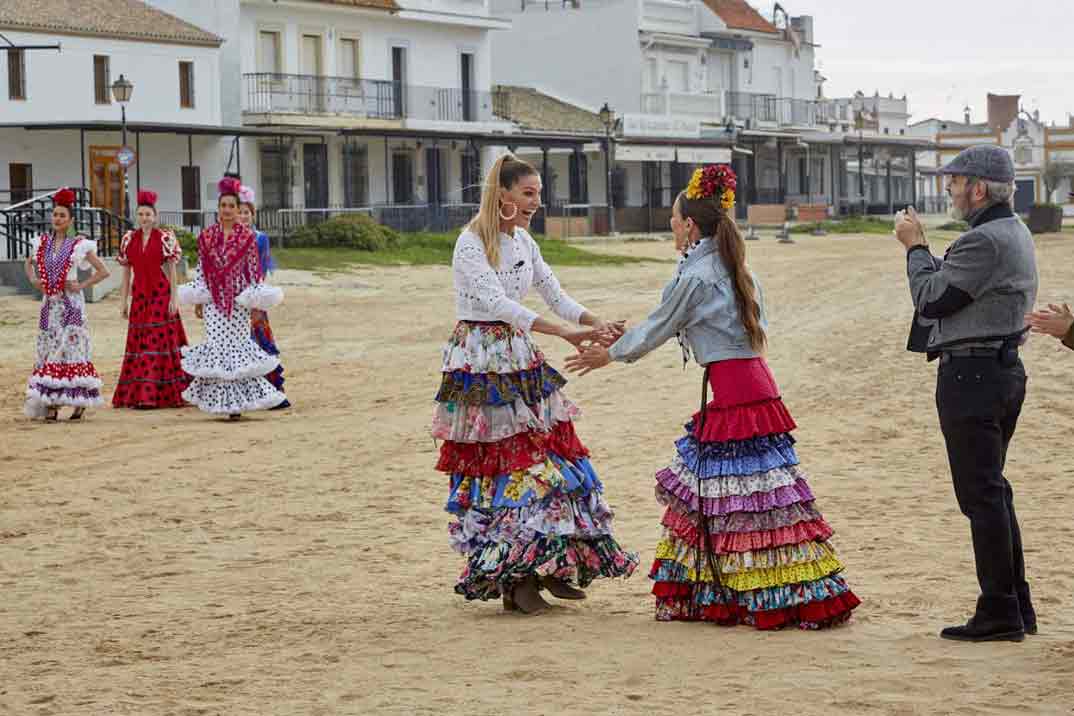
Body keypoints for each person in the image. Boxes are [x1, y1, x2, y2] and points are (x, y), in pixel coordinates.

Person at [566, 165, 860, 630]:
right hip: (753, 386)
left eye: (674, 218)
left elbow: (661, 327)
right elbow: (673, 319)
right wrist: (630, 335)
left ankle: (755, 595)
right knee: (757, 498)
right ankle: (761, 589)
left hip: (736, 394)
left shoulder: (700, 274)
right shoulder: (734, 267)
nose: (670, 225)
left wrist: (610, 354)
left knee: (738, 498)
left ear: (689, 226)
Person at [435, 153, 637, 614]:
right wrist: (563, 332)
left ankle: (549, 563)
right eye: (528, 194)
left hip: (521, 356)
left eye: (538, 194)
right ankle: (515, 578)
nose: (536, 203)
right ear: (502, 195)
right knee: (507, 463)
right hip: (481, 361)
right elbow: (498, 303)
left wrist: (593, 321)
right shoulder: (470, 243)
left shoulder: (524, 242)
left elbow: (555, 293)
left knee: (548, 455)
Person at [894, 144, 1038, 642]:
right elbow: (955, 286)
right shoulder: (1010, 231)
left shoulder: (985, 240)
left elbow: (933, 299)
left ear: (978, 188)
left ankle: (1000, 610)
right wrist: (929, 252)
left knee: (981, 496)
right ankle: (1016, 604)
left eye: (955, 181)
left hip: (974, 375)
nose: (949, 189)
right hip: (999, 372)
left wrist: (914, 248)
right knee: (993, 491)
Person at [178, 177, 287, 420]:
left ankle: (237, 403)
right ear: (218, 209)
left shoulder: (248, 238)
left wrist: (255, 303)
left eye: (231, 206)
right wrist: (198, 300)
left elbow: (253, 273)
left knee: (237, 350)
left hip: (238, 303)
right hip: (213, 304)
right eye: (223, 206)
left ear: (239, 210)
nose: (226, 210)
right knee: (217, 349)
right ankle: (223, 402)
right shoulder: (206, 236)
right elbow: (202, 270)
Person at [23, 188, 111, 421]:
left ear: (70, 220)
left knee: (70, 350)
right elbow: (29, 263)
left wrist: (82, 286)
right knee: (50, 349)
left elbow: (103, 271)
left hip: (71, 305)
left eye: (62, 215)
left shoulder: (79, 245)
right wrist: (34, 280)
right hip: (50, 305)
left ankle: (77, 401)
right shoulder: (42, 243)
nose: (58, 219)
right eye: (55, 215)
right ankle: (52, 402)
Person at [113, 189, 191, 408]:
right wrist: (123, 301)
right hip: (139, 296)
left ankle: (152, 396)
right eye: (141, 214)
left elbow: (172, 270)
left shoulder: (165, 238)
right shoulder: (129, 239)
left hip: (160, 294)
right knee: (140, 343)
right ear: (136, 217)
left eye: (148, 214)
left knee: (155, 342)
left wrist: (174, 297)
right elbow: (126, 272)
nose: (144, 218)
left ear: (155, 217)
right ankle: (140, 393)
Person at [237, 185, 289, 409]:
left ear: (252, 214)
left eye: (246, 212)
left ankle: (268, 389)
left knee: (259, 340)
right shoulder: (228, 238)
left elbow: (262, 270)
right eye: (239, 212)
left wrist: (256, 299)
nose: (242, 216)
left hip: (254, 296)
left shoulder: (260, 238)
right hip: (233, 298)